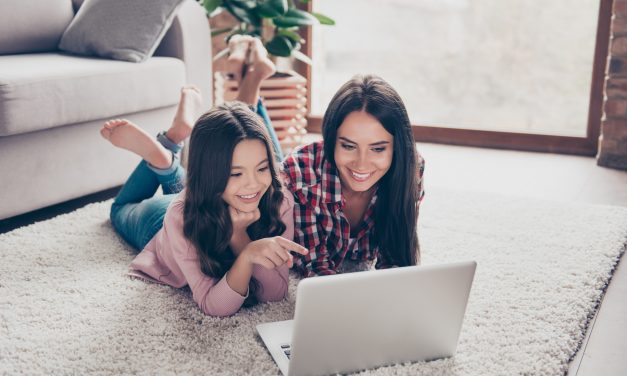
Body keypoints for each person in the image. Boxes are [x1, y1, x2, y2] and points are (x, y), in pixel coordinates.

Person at [100, 37, 307, 317]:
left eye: (262, 168)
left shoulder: (279, 199)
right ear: (210, 176)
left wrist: (241, 239)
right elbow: (212, 305)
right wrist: (243, 246)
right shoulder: (180, 217)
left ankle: (169, 154)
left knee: (238, 136)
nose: (254, 183)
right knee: (119, 210)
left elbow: (276, 293)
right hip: (163, 225)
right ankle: (165, 152)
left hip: (205, 191)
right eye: (236, 173)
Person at [282, 74, 425, 277]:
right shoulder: (301, 173)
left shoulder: (410, 169)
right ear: (331, 140)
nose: (361, 163)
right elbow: (314, 266)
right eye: (348, 146)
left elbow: (397, 261)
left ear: (397, 148)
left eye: (378, 149)